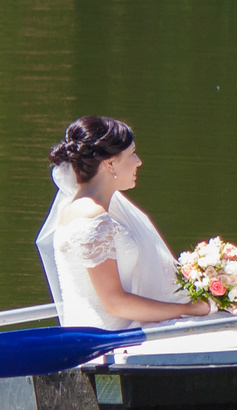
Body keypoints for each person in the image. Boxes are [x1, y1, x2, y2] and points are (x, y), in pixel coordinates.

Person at [35, 115, 205, 331]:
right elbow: (115, 303)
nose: (139, 161)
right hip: (106, 340)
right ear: (111, 163)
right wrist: (189, 309)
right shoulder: (92, 217)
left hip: (118, 330)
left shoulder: (88, 208)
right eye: (132, 154)